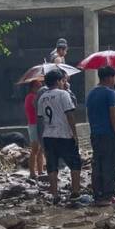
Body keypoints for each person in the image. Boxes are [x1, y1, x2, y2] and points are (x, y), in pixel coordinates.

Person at [37, 69, 82, 204]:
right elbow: (70, 115)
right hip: (63, 134)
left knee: (52, 165)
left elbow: (40, 118)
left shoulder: (42, 97)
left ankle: (55, 195)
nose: (64, 83)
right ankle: (75, 192)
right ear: (58, 81)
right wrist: (75, 134)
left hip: (48, 135)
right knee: (75, 163)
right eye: (63, 80)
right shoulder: (63, 94)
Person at [86, 66, 115, 206]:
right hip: (109, 134)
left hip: (95, 134)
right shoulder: (110, 93)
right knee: (111, 165)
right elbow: (113, 114)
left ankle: (99, 194)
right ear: (109, 78)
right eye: (114, 77)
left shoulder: (91, 93)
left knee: (98, 164)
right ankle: (108, 195)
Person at [23, 79, 45, 178]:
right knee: (35, 149)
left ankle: (40, 170)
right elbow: (37, 107)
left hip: (39, 124)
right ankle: (32, 172)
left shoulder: (35, 96)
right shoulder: (31, 97)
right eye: (38, 86)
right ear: (32, 87)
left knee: (41, 149)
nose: (40, 88)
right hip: (33, 124)